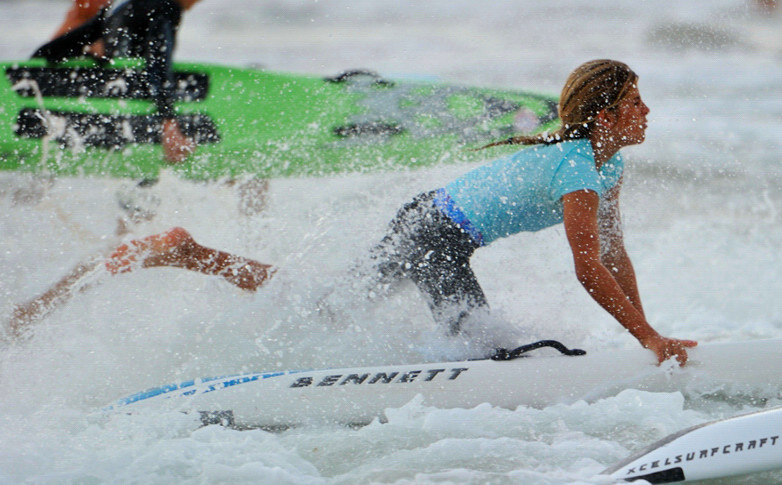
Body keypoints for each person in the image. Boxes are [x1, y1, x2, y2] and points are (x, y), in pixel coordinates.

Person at [9, 60, 698, 366]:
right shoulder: (579, 164)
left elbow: (614, 255)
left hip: (437, 231)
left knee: (344, 309)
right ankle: (187, 250)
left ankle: (190, 249)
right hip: (430, 234)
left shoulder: (609, 164)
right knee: (336, 313)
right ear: (607, 114)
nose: (647, 112)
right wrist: (645, 339)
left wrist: (650, 330)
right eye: (637, 102)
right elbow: (586, 267)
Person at [32, 0, 203, 163]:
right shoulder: (166, 7)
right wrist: (169, 123)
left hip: (97, 117)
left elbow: (47, 52)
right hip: (131, 122)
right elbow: (158, 64)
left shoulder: (124, 9)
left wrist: (89, 53)